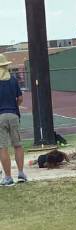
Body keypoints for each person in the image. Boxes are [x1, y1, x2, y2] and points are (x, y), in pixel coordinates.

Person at [0, 54, 26, 186]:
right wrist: (14, 105)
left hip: (0, 117)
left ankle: (8, 177)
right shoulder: (13, 80)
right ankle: (21, 173)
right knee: (18, 145)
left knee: (2, 147)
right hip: (14, 115)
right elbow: (20, 98)